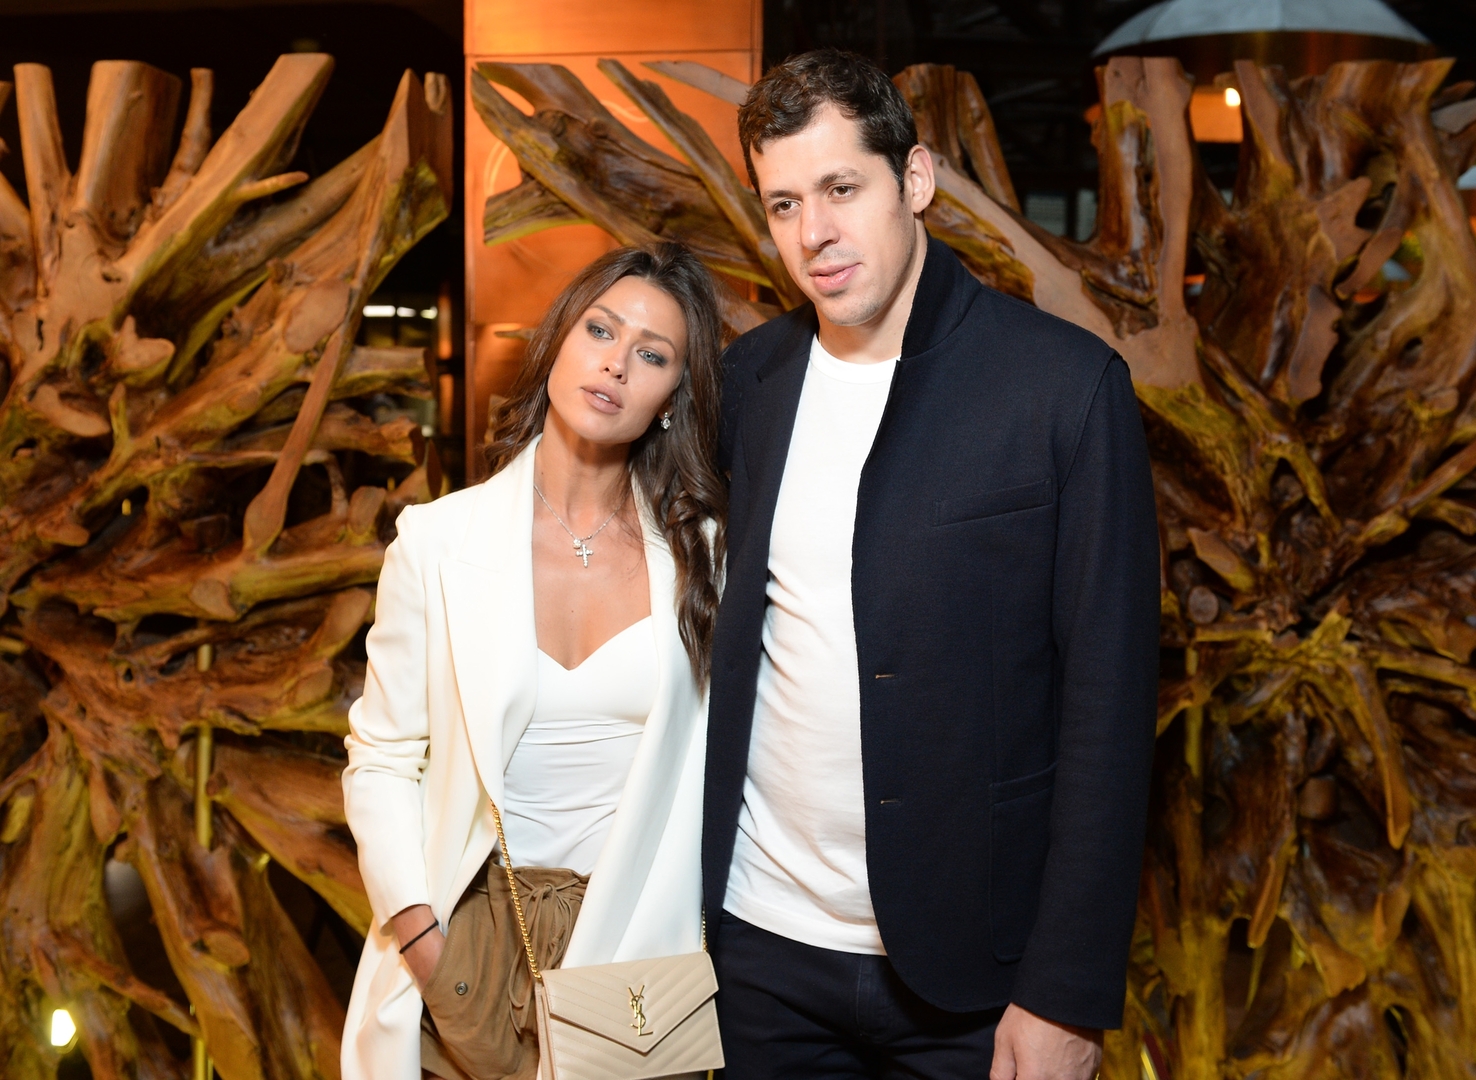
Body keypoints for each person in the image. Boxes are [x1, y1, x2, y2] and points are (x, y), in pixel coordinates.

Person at [703, 49, 1160, 1080]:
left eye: (840, 189)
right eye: (783, 204)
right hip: (759, 951)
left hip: (974, 975)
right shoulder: (749, 383)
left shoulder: (1063, 387)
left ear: (913, 179)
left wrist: (1066, 992)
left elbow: (1110, 706)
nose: (813, 234)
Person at [341, 243, 727, 1080]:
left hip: (632, 940)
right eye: (601, 330)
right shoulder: (438, 541)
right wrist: (423, 939)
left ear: (672, 398)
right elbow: (382, 757)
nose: (615, 363)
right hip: (471, 931)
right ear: (558, 341)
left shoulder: (705, 557)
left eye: (652, 354)